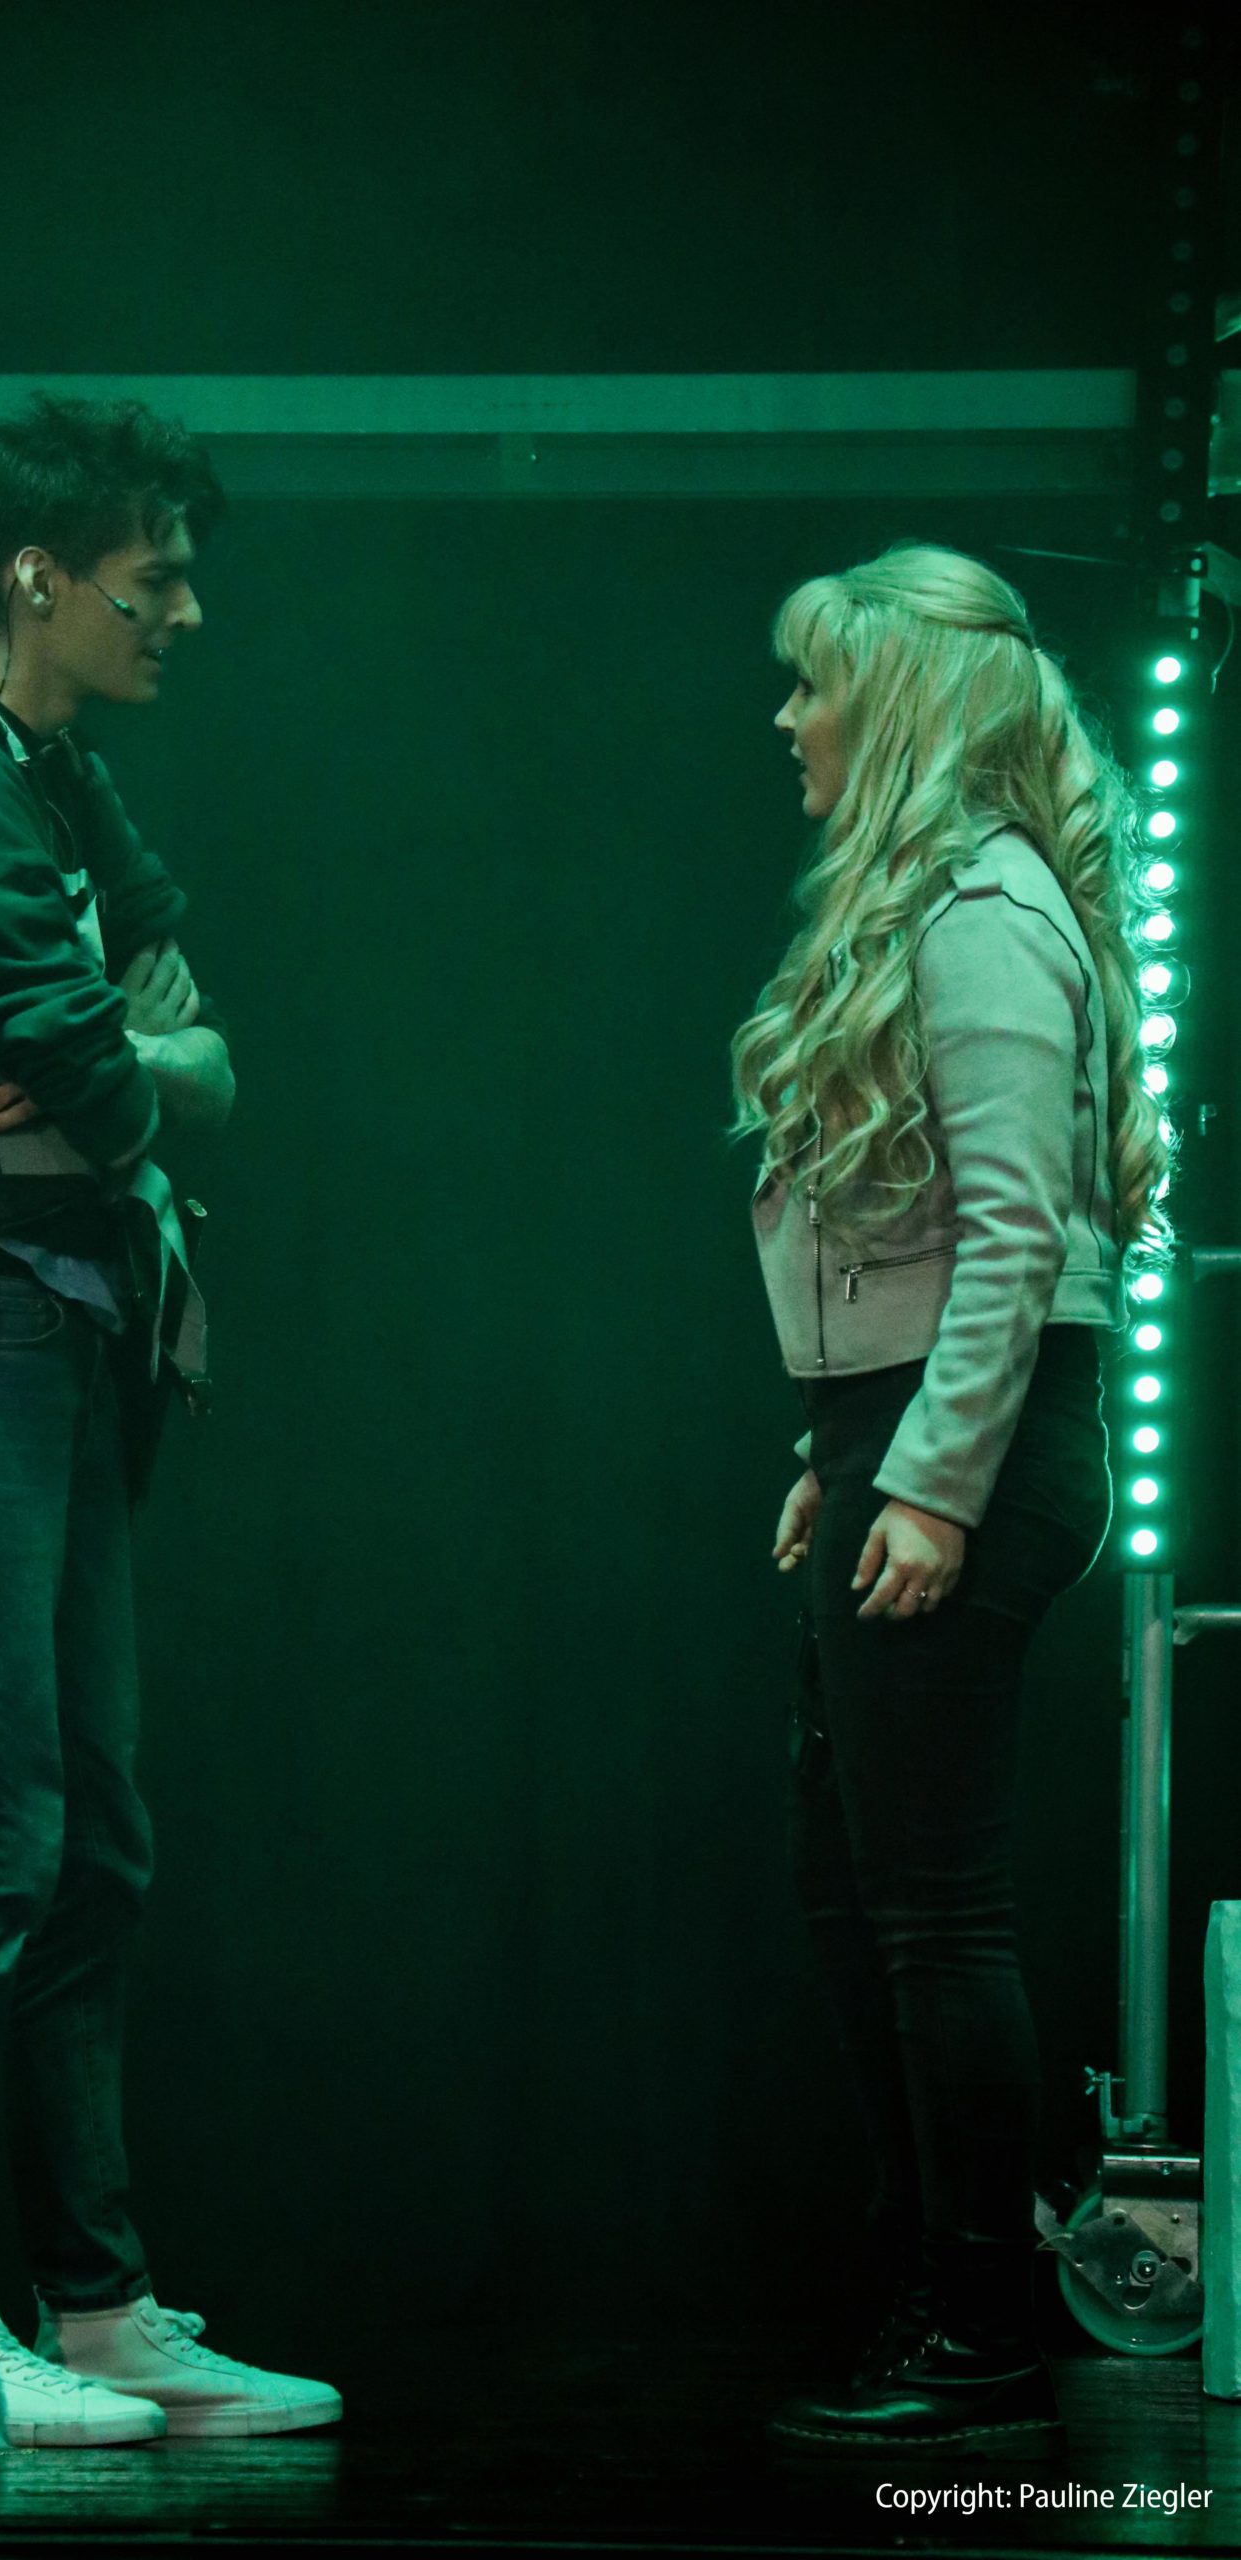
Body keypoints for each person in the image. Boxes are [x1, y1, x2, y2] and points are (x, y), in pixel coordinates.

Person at [0, 395, 340, 2446]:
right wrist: (130, 1062)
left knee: (90, 1834)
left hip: (69, 1335)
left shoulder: (55, 772)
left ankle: (93, 2309)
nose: (185, 610)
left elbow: (188, 1053)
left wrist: (136, 1059)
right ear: (37, 574)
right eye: (151, 576)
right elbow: (110, 1079)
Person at [732, 544, 1168, 2445]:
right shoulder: (941, 903)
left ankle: (979, 2324)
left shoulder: (986, 914)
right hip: (905, 1434)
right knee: (862, 1889)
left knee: (928, 1908)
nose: (787, 719)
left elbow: (1012, 1244)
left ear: (897, 703)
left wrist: (921, 1479)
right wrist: (836, 1458)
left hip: (967, 1442)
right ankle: (941, 2273)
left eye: (814, 685)